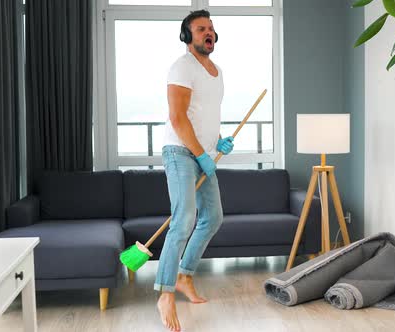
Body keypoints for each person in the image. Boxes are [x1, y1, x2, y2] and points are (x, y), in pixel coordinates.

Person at [155, 9, 234, 332]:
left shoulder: (216, 71)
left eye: (211, 28)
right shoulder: (182, 67)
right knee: (184, 218)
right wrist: (202, 155)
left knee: (213, 217)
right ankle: (165, 293)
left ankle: (185, 274)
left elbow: (205, 116)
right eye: (201, 29)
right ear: (188, 36)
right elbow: (178, 118)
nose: (208, 33)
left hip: (203, 153)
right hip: (179, 153)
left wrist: (219, 144)